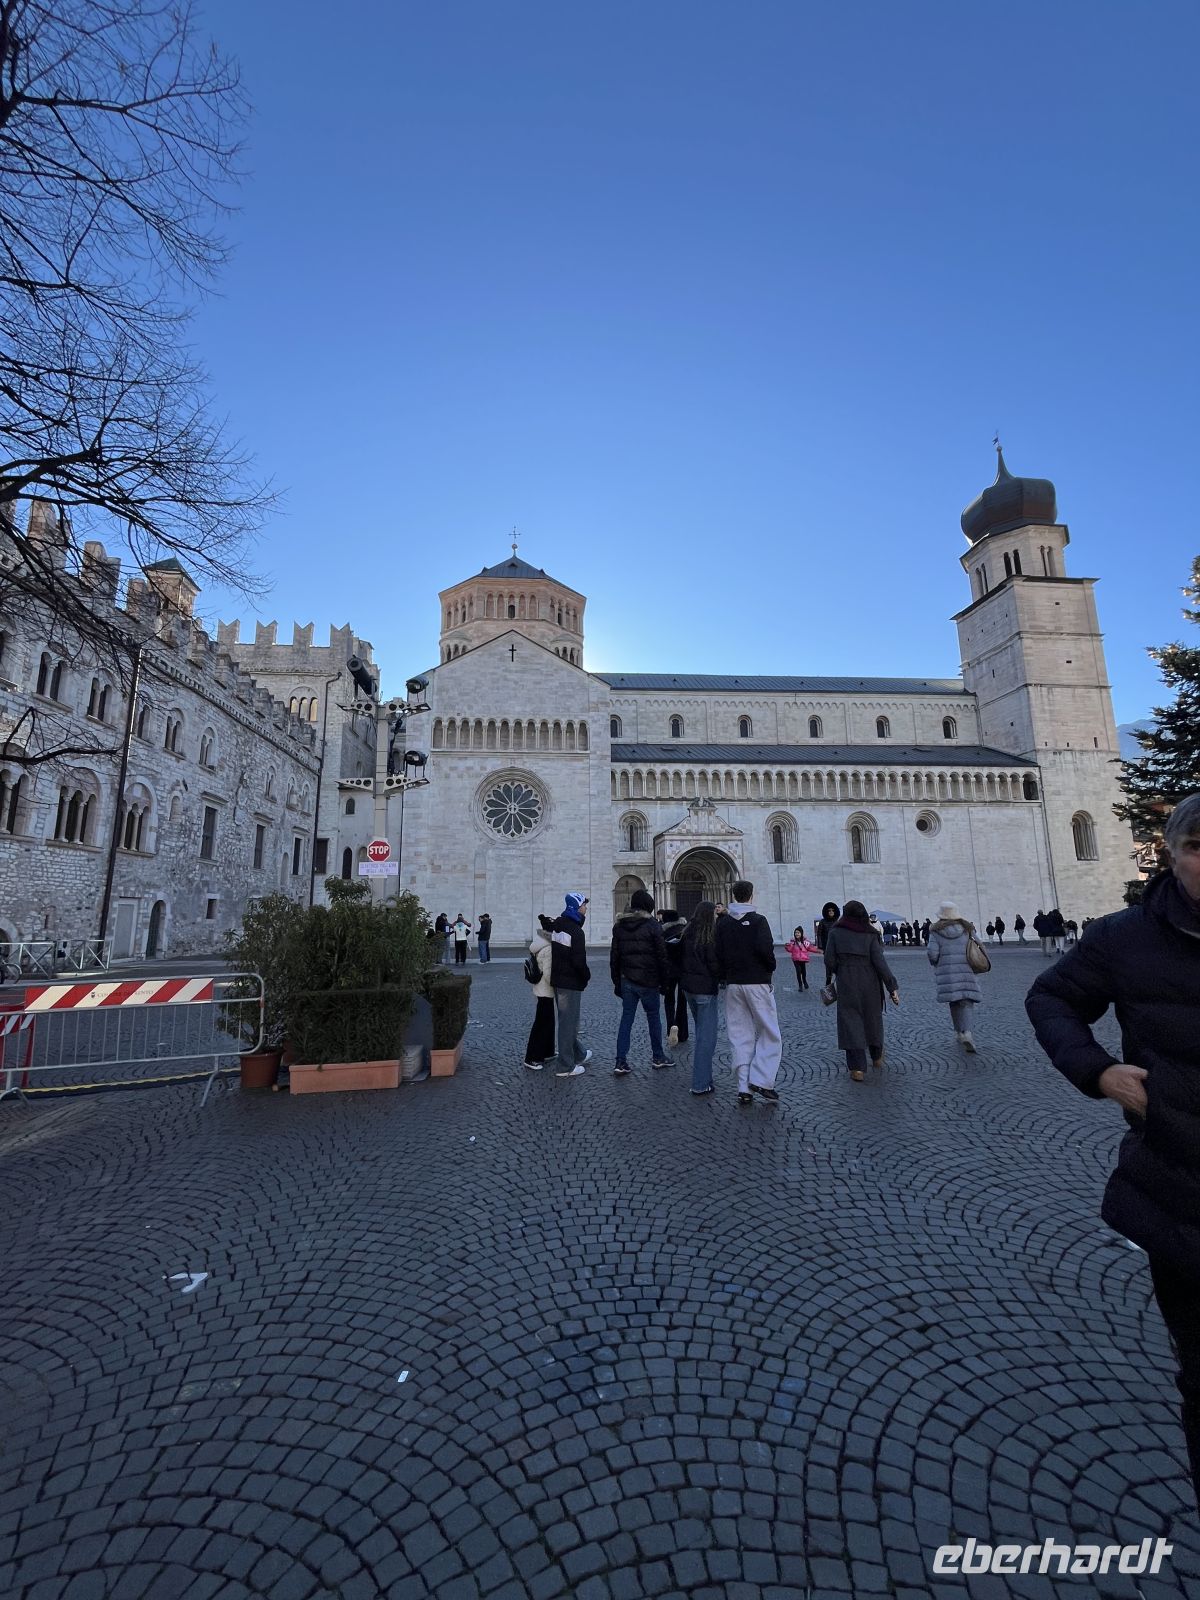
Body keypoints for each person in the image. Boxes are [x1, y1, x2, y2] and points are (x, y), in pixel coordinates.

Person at [1026, 793, 1200, 1512]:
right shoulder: (1125, 937)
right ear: (1171, 852)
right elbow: (1052, 998)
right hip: (1180, 1190)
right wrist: (1097, 1070)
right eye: (1196, 846)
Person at [714, 879, 781, 1105]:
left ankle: (744, 1087)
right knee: (769, 1032)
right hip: (757, 983)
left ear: (733, 895)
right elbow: (766, 951)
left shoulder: (722, 923)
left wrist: (725, 975)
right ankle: (761, 1080)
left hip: (733, 985)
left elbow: (718, 953)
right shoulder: (758, 921)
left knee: (739, 1035)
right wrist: (769, 967)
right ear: (751, 895)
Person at [823, 899, 899, 1081]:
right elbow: (880, 963)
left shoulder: (836, 932)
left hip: (846, 980)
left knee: (850, 1020)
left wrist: (839, 970)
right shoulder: (870, 934)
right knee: (872, 1017)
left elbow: (829, 960)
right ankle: (877, 1055)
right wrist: (892, 987)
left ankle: (857, 1067)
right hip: (870, 980)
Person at [610, 889, 672, 1076]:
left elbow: (615, 957)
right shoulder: (653, 925)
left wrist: (617, 982)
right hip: (649, 981)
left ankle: (620, 1061)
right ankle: (658, 1057)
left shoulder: (619, 926)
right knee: (653, 1018)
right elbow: (662, 956)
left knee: (626, 1020)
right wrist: (665, 982)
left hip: (627, 980)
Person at [547, 893, 593, 1077]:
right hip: (570, 982)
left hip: (558, 980)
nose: (586, 908)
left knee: (568, 1021)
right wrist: (586, 976)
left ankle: (579, 1053)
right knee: (568, 1024)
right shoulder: (576, 931)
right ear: (576, 907)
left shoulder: (559, 926)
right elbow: (579, 961)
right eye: (583, 905)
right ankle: (565, 1066)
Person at [927, 901, 983, 1051]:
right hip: (967, 971)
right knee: (967, 1002)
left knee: (954, 1002)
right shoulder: (967, 929)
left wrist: (937, 962)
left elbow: (932, 954)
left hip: (948, 974)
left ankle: (959, 1032)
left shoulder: (936, 932)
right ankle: (967, 1033)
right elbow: (980, 945)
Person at [679, 900, 721, 1096]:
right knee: (707, 1038)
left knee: (702, 1033)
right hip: (705, 991)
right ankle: (700, 1083)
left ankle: (707, 1079)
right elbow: (714, 965)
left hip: (689, 990)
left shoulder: (687, 932)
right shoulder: (709, 936)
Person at [523, 915, 556, 1069]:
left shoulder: (538, 943)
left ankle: (547, 1051)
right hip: (546, 989)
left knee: (548, 1022)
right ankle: (532, 1057)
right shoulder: (549, 948)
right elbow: (549, 975)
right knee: (541, 1024)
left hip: (539, 988)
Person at [659, 909, 689, 1046]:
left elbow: (660, 953)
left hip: (669, 970)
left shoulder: (662, 932)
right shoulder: (685, 930)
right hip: (684, 970)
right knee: (682, 1002)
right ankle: (682, 1032)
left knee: (669, 1000)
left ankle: (670, 1027)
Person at [784, 925, 814, 990]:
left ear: (801, 933)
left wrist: (818, 950)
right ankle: (800, 985)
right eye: (796, 933)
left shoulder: (805, 942)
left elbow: (810, 948)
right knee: (798, 971)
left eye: (798, 933)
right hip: (796, 959)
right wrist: (787, 946)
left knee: (803, 971)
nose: (797, 934)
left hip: (803, 959)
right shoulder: (793, 942)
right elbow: (790, 950)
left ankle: (805, 981)